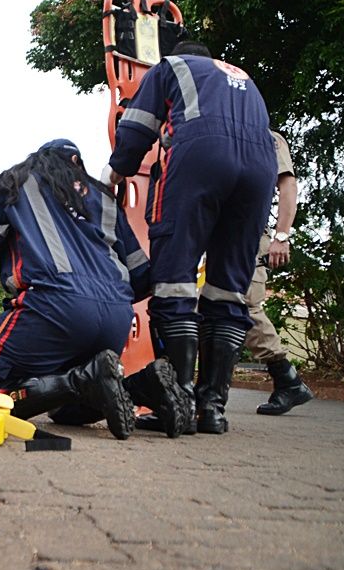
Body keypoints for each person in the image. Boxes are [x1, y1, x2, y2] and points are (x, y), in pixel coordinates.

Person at [0, 139, 185, 440]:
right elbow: (142, 274)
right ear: (77, 164)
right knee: (68, 412)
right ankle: (141, 385)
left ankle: (79, 380)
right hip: (115, 313)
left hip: (49, 305)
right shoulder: (104, 198)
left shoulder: (12, 181)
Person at [107, 41, 277, 434]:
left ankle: (177, 401)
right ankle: (212, 409)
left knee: (174, 279)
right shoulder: (241, 77)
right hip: (259, 169)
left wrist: (118, 170)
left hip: (202, 153)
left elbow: (136, 124)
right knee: (229, 288)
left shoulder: (170, 66)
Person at [247, 131, 314, 415]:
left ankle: (287, 379)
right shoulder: (216, 131)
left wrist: (282, 236)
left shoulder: (267, 137)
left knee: (243, 306)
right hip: (214, 238)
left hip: (249, 237)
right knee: (207, 310)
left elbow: (287, 184)